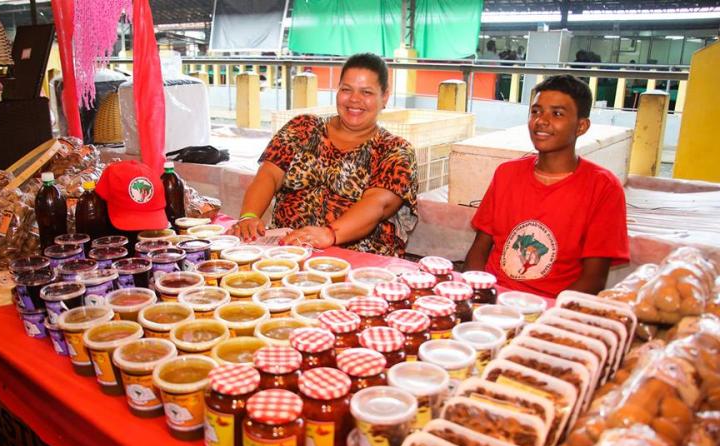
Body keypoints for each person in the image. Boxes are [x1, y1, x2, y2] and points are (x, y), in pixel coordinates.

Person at [228, 53, 417, 257]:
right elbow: (269, 175)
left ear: (385, 97)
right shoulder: (303, 128)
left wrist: (330, 234)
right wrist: (248, 216)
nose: (354, 99)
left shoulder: (395, 150)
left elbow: (377, 205)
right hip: (286, 250)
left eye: (367, 92)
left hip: (358, 258)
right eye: (346, 89)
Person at [462, 75, 629, 298]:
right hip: (492, 298)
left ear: (581, 126)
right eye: (536, 111)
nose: (541, 120)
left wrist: (542, 317)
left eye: (557, 114)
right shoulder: (507, 174)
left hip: (550, 307)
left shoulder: (603, 187)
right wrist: (474, 294)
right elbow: (478, 251)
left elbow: (594, 279)